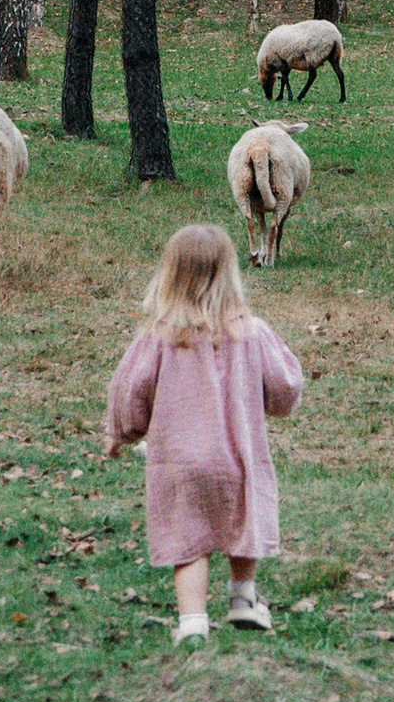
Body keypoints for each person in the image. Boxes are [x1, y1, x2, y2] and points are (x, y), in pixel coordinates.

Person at [104, 222, 305, 647]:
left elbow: (129, 389)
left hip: (181, 464)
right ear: (230, 272)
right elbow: (285, 386)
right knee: (241, 520)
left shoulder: (160, 337)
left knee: (188, 539)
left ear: (170, 275)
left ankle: (192, 621)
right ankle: (243, 599)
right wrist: (278, 403)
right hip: (238, 457)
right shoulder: (251, 332)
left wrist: (121, 433)